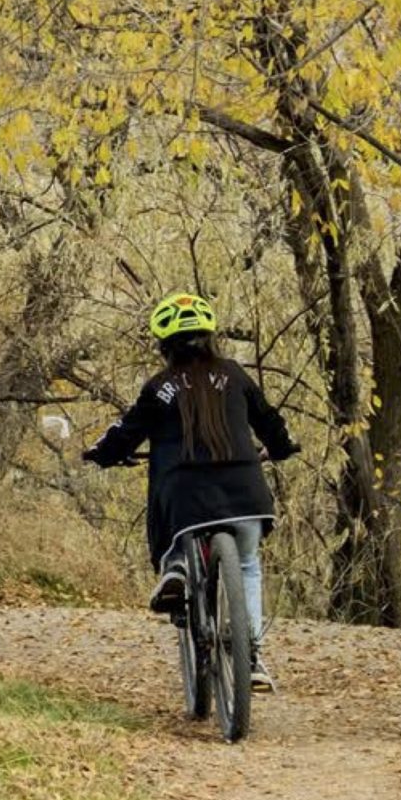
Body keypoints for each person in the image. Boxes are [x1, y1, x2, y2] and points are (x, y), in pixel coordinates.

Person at [84, 292, 299, 691]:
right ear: (211, 337)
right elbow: (271, 423)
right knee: (247, 565)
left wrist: (102, 454)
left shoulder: (159, 387)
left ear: (164, 347)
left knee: (177, 529)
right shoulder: (235, 375)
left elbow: (125, 433)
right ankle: (250, 658)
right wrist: (283, 448)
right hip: (245, 494)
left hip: (185, 498)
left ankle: (177, 566)